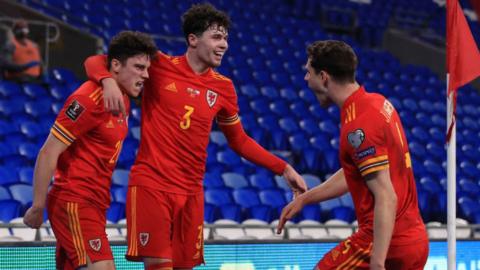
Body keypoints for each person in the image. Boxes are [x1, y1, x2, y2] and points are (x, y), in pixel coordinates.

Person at [83, 3, 307, 269]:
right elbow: (96, 60)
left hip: (191, 194)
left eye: (225, 38)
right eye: (216, 37)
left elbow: (240, 141)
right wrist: (107, 80)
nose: (224, 44)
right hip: (152, 186)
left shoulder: (224, 87)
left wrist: (283, 168)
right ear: (192, 39)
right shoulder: (159, 66)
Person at [276, 40, 428, 270]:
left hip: (383, 243)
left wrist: (377, 261)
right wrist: (306, 198)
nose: (306, 79)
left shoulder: (359, 125)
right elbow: (356, 172)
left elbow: (386, 196)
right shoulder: (378, 103)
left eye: (308, 72)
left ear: (324, 77)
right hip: (414, 239)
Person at [23, 31, 157, 270]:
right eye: (139, 67)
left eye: (147, 68)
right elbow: (48, 152)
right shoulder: (89, 99)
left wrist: (108, 80)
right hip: (75, 201)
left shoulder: (123, 97)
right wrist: (37, 206)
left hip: (96, 203)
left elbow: (95, 61)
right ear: (115, 65)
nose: (145, 75)